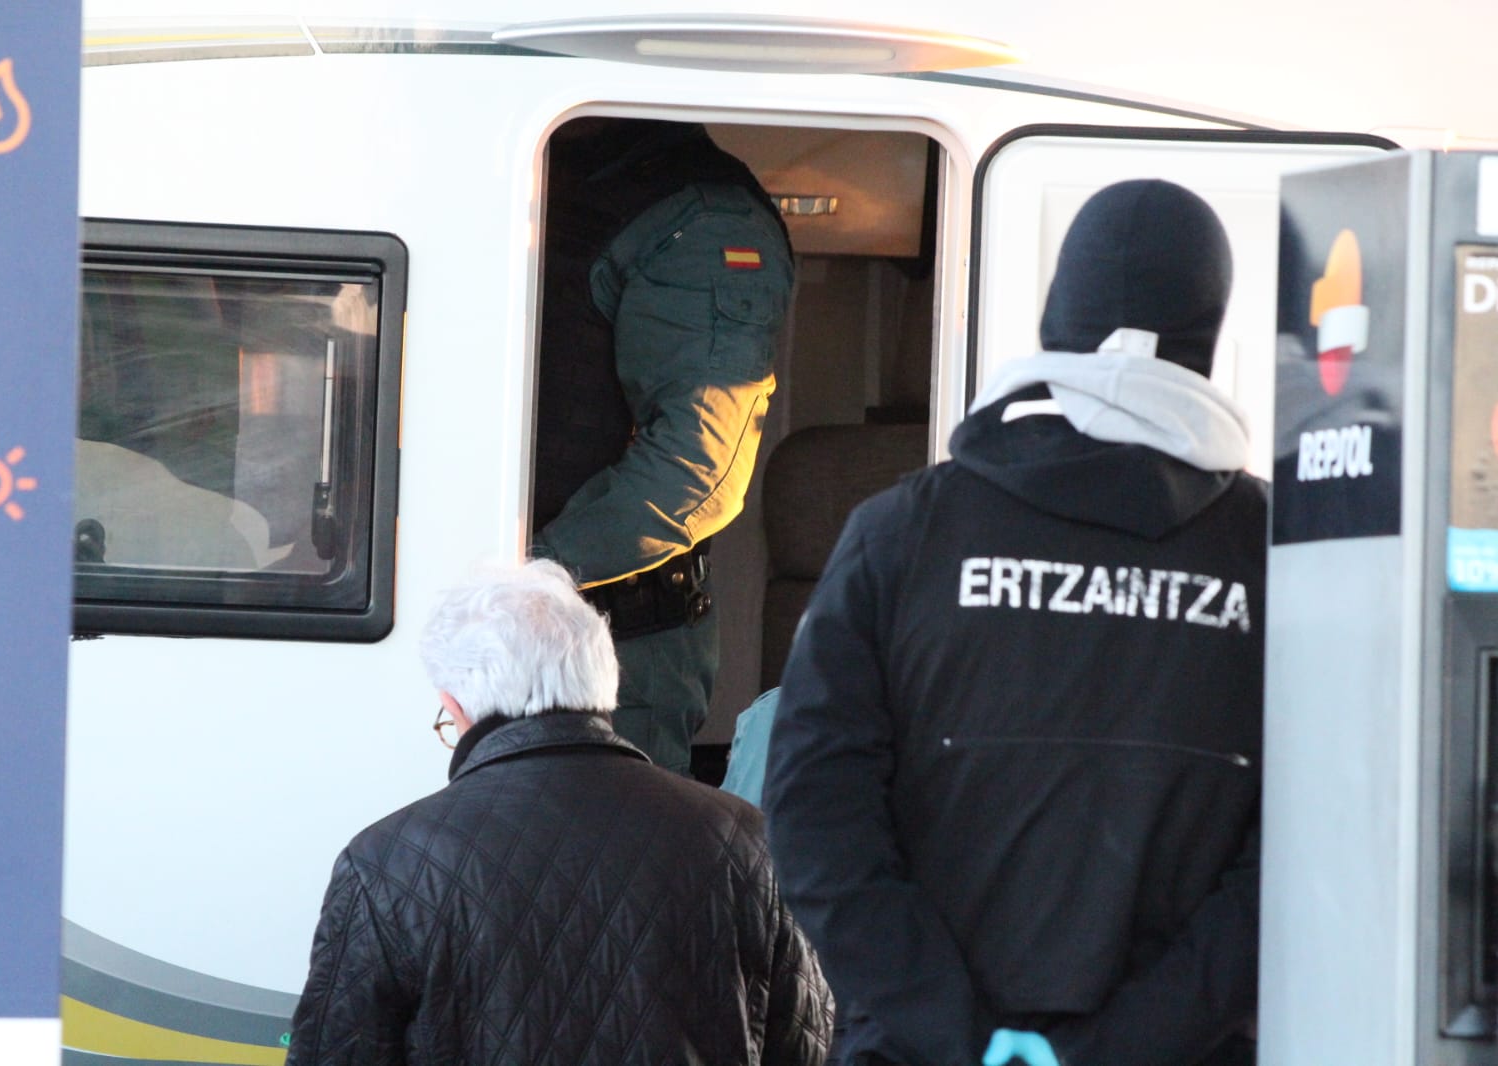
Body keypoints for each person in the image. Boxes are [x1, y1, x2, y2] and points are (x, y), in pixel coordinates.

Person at [763, 179, 1264, 1066]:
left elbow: (813, 817)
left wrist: (955, 1033)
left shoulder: (901, 532)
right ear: (1206, 339)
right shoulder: (1274, 553)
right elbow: (1292, 860)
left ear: (1055, 318)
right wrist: (1115, 1047)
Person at [285, 559, 832, 1066]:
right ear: (604, 683)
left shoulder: (386, 862)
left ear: (455, 706)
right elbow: (809, 1049)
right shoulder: (747, 841)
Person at [531, 117, 794, 775]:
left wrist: (524, 573)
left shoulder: (701, 217)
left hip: (606, 650)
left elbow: (695, 473)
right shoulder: (537, 151)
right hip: (528, 628)